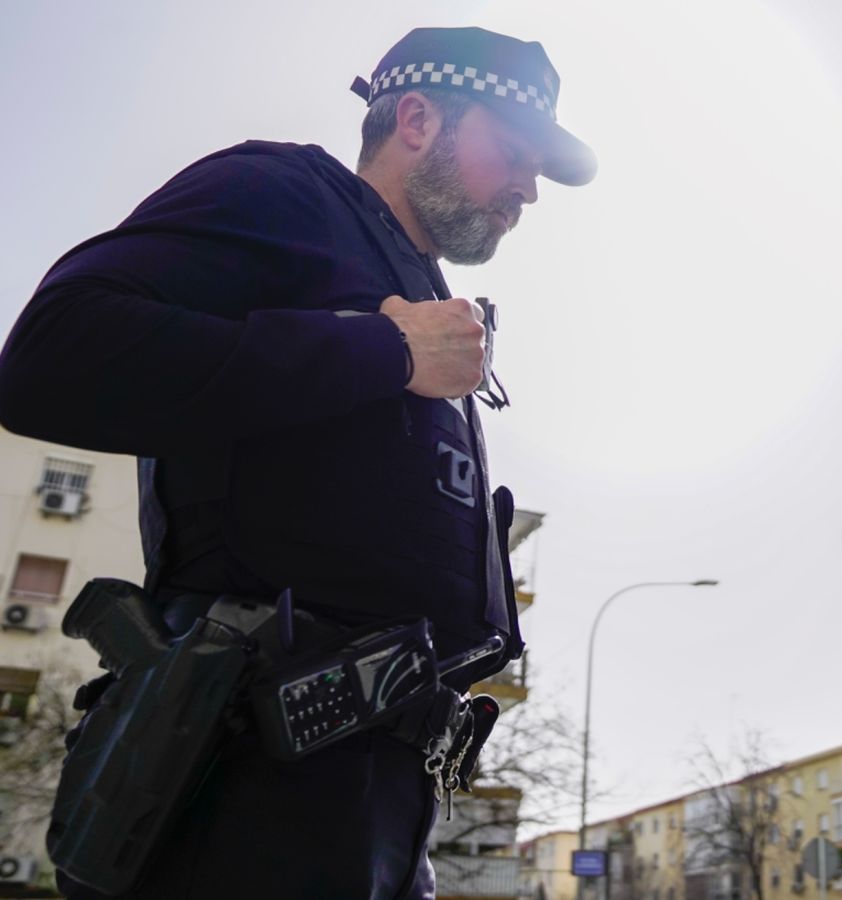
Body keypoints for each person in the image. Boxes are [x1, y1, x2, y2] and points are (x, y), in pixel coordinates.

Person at [0, 26, 596, 900]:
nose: (529, 191)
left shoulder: (427, 295)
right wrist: (383, 354)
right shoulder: (285, 193)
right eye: (515, 152)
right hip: (238, 790)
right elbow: (49, 361)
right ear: (419, 120)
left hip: (383, 809)